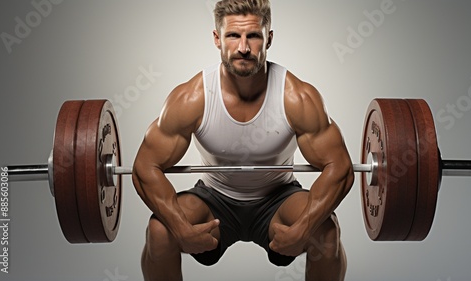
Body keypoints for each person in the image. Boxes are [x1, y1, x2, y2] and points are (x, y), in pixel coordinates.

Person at [132, 0, 354, 280]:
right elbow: (144, 168)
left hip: (278, 198)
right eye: (233, 36)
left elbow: (340, 168)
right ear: (217, 38)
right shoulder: (192, 98)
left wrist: (305, 227)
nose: (243, 48)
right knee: (159, 230)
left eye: (254, 36)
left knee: (326, 231)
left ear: (269, 38)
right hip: (214, 199)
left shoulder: (297, 97)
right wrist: (180, 228)